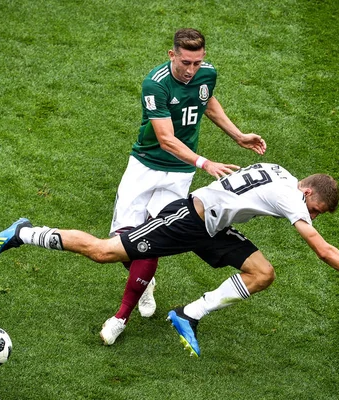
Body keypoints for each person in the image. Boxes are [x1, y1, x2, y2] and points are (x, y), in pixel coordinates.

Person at [0, 162, 339, 357]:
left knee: (262, 273)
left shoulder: (281, 173)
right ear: (308, 194)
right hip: (187, 221)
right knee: (103, 251)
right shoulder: (291, 197)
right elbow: (323, 250)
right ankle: (24, 232)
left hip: (213, 227)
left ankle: (188, 314)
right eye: (316, 211)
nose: (311, 217)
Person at [106, 28, 266, 345]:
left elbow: (207, 102)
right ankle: (145, 281)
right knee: (120, 241)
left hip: (179, 174)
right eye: (185, 63)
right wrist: (205, 163)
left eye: (197, 62)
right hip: (145, 166)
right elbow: (165, 139)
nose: (191, 70)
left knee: (150, 239)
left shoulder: (207, 75)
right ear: (172, 55)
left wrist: (237, 135)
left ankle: (120, 317)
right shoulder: (156, 83)